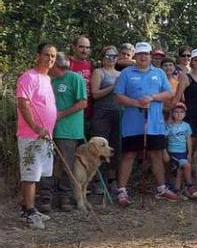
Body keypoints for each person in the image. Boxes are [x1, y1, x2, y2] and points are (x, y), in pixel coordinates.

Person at [114, 42, 178, 206]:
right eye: (140, 54)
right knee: (129, 155)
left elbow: (170, 92)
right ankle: (121, 191)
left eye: (146, 54)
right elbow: (118, 97)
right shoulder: (126, 73)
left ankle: (162, 188)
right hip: (132, 122)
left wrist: (153, 97)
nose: (143, 57)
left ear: (150, 56)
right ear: (135, 56)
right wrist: (137, 103)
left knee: (156, 154)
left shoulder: (159, 73)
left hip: (155, 123)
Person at [16, 43, 58, 229]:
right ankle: (30, 212)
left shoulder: (47, 79)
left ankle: (28, 207)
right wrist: (35, 126)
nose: (50, 59)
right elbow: (23, 104)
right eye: (46, 55)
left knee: (40, 173)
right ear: (38, 55)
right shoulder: (28, 77)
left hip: (45, 136)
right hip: (31, 135)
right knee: (31, 173)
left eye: (53, 56)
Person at [43, 53, 87, 212]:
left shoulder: (75, 78)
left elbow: (83, 102)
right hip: (49, 129)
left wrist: (61, 114)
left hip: (68, 130)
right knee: (49, 164)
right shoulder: (50, 80)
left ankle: (65, 198)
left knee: (66, 164)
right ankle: (46, 198)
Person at [174, 48, 197, 182]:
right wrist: (171, 117)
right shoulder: (186, 77)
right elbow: (177, 98)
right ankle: (185, 183)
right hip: (190, 118)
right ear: (192, 62)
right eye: (195, 60)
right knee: (188, 152)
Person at [90, 46, 121, 188]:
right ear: (102, 58)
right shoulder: (98, 72)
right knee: (99, 147)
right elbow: (95, 94)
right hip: (102, 113)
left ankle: (112, 179)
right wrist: (113, 87)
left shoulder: (120, 74)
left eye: (114, 56)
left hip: (118, 113)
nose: (111, 59)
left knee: (115, 146)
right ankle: (97, 180)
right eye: (108, 56)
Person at [166, 103, 197, 198]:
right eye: (176, 112)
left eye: (181, 112)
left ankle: (177, 189)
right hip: (173, 152)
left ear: (185, 114)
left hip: (183, 152)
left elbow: (188, 140)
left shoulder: (186, 126)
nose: (179, 114)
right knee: (186, 166)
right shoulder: (169, 125)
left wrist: (189, 153)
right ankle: (189, 185)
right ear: (172, 113)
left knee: (180, 170)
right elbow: (165, 138)